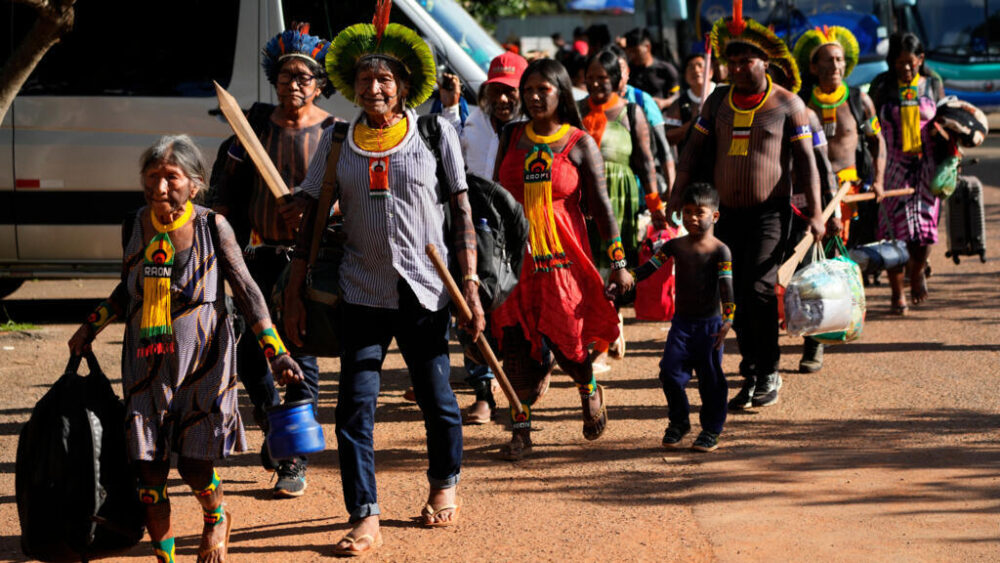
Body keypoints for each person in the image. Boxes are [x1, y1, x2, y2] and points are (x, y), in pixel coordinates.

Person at [283, 4, 485, 555]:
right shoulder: (338, 138)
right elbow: (313, 218)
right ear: (353, 84)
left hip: (425, 289)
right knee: (355, 406)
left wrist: (468, 282)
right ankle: (364, 514)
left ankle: (444, 484)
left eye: (385, 78)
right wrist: (295, 288)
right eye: (367, 77)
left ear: (403, 88)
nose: (374, 86)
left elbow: (462, 212)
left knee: (437, 398)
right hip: (361, 291)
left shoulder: (435, 132)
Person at [68, 135, 304, 563]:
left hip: (204, 359)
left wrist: (276, 351)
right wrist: (90, 326)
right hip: (146, 363)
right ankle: (166, 559)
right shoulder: (136, 222)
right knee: (149, 470)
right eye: (152, 176)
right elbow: (127, 290)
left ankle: (215, 518)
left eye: (170, 177)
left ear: (195, 184)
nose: (160, 187)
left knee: (195, 466)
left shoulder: (214, 226)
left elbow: (247, 290)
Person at [672, 6, 825, 410]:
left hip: (770, 214)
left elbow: (808, 163)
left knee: (758, 288)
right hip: (725, 217)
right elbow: (692, 150)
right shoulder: (717, 102)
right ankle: (753, 371)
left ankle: (770, 370)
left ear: (766, 62)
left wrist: (818, 212)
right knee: (732, 293)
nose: (738, 68)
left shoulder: (789, 105)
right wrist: (676, 193)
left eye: (747, 61)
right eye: (732, 62)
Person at [208, 25, 337, 499]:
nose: (294, 85)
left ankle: (292, 458)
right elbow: (224, 193)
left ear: (320, 84)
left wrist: (319, 207)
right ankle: (270, 418)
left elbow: (349, 195)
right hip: (256, 258)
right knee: (250, 353)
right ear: (274, 82)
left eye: (304, 77)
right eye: (286, 77)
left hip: (310, 260)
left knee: (300, 352)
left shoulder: (333, 134)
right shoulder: (250, 132)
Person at [491, 58, 634, 460]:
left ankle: (587, 387)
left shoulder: (579, 142)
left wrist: (618, 261)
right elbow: (496, 192)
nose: (535, 97)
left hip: (562, 256)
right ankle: (521, 431)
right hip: (514, 256)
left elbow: (603, 207)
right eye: (528, 90)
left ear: (561, 93)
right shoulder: (511, 135)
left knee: (566, 336)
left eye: (544, 90)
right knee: (516, 344)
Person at [438, 51, 535, 424]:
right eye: (497, 91)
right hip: (475, 229)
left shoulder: (532, 128)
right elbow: (447, 152)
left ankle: (523, 379)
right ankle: (483, 391)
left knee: (516, 312)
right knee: (472, 303)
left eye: (511, 91)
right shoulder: (471, 123)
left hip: (519, 230)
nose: (504, 99)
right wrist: (449, 108)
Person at [792, 25, 886, 369]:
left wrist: (876, 179)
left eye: (839, 59)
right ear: (813, 66)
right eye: (826, 61)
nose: (834, 66)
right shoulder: (800, 104)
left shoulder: (860, 100)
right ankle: (814, 333)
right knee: (807, 264)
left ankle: (818, 338)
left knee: (825, 264)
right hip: (809, 194)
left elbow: (878, 143)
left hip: (847, 195)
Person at [632, 183, 734, 452]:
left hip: (711, 328)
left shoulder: (720, 251)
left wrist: (728, 319)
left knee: (711, 380)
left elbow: (726, 287)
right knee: (669, 373)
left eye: (699, 212)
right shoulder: (675, 246)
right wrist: (626, 279)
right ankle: (679, 423)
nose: (692, 218)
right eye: (687, 212)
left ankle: (711, 429)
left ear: (715, 216)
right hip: (682, 325)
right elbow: (649, 268)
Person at [580, 48, 664, 372]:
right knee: (589, 270)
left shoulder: (632, 112)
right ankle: (604, 329)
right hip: (585, 201)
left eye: (602, 78)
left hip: (621, 198)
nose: (596, 85)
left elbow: (645, 160)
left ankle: (602, 342)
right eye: (590, 79)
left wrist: (655, 204)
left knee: (613, 270)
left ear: (616, 79)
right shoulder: (576, 110)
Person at [867, 32, 943, 314]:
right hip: (891, 168)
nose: (906, 69)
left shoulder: (932, 83)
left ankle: (917, 270)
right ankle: (897, 293)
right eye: (900, 63)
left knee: (923, 231)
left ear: (921, 59)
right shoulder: (882, 85)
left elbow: (944, 118)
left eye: (911, 63)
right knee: (893, 232)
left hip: (926, 167)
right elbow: (870, 126)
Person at [664, 52, 717, 154]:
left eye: (700, 66)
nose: (696, 70)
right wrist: (693, 123)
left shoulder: (723, 94)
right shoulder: (680, 103)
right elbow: (669, 137)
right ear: (685, 76)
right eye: (690, 67)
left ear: (710, 72)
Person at [624, 27, 681, 110]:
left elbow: (676, 95)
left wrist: (664, 102)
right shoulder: (627, 71)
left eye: (636, 51)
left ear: (647, 47)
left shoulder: (666, 69)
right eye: (629, 52)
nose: (632, 56)